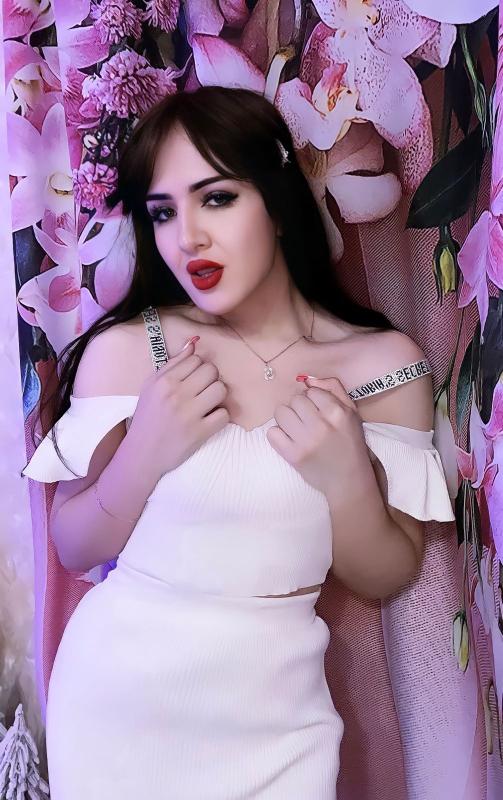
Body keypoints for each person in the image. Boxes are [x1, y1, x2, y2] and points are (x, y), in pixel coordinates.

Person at [22, 86, 454, 799]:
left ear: (277, 202)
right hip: (118, 708)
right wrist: (144, 452)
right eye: (163, 212)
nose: (186, 237)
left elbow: (383, 574)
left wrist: (346, 478)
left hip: (282, 722)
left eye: (216, 199)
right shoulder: (134, 348)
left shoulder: (383, 366)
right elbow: (74, 545)